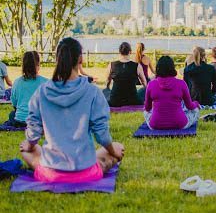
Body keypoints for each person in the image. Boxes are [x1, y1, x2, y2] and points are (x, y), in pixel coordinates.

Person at [20, 37, 124, 183]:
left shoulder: (41, 91)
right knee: (117, 147)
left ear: (57, 59)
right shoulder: (92, 92)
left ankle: (47, 167)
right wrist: (113, 152)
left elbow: (33, 132)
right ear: (80, 59)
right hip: (86, 172)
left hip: (51, 173)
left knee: (26, 149)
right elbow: (102, 135)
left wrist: (29, 145)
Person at [144, 56, 199, 130]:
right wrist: (196, 103)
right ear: (172, 68)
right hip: (180, 124)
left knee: (145, 112)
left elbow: (147, 108)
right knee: (195, 110)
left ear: (158, 68)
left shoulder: (151, 84)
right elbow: (190, 106)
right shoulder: (181, 83)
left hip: (155, 125)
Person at [9, 51, 48, 127]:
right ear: (38, 65)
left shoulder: (17, 82)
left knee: (12, 114)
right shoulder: (46, 82)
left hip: (20, 121)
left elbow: (14, 103)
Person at [106, 42, 147, 107]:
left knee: (105, 91)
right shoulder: (137, 66)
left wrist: (107, 87)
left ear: (119, 52)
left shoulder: (111, 65)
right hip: (133, 100)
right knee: (145, 89)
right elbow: (144, 82)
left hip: (115, 101)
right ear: (130, 52)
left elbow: (108, 81)